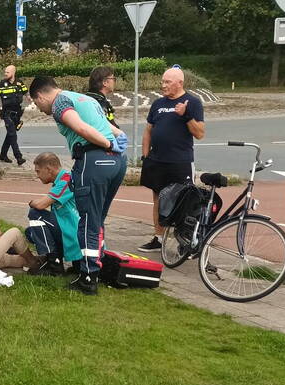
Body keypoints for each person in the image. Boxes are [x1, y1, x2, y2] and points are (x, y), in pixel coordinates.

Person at [29, 76, 128, 295]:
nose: (40, 108)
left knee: (88, 222)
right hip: (118, 162)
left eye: (37, 104)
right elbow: (111, 128)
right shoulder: (84, 99)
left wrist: (106, 143)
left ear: (40, 95)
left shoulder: (60, 103)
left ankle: (88, 278)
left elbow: (81, 128)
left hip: (94, 160)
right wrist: (118, 141)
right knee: (98, 219)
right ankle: (98, 266)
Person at [137, 66, 206, 252]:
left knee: (183, 201)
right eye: (163, 81)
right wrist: (146, 156)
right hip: (157, 161)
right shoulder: (158, 104)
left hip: (180, 161)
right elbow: (148, 130)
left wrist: (186, 116)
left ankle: (185, 240)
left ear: (180, 83)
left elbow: (199, 133)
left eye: (167, 82)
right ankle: (158, 238)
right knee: (158, 199)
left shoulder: (192, 102)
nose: (163, 85)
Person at [24, 152, 82, 276]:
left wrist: (32, 202)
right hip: (71, 228)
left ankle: (54, 265)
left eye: (38, 171)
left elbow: (40, 205)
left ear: (48, 169)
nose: (37, 176)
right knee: (30, 232)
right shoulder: (64, 179)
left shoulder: (66, 180)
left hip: (73, 230)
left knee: (35, 214)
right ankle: (62, 261)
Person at [0, 65, 28, 166]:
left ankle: (3, 155)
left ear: (13, 73)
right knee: (13, 134)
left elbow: (27, 95)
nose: (5, 74)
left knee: (10, 134)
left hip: (17, 114)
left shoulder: (19, 83)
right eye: (5, 72)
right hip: (6, 114)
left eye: (7, 72)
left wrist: (28, 104)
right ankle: (19, 157)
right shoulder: (2, 84)